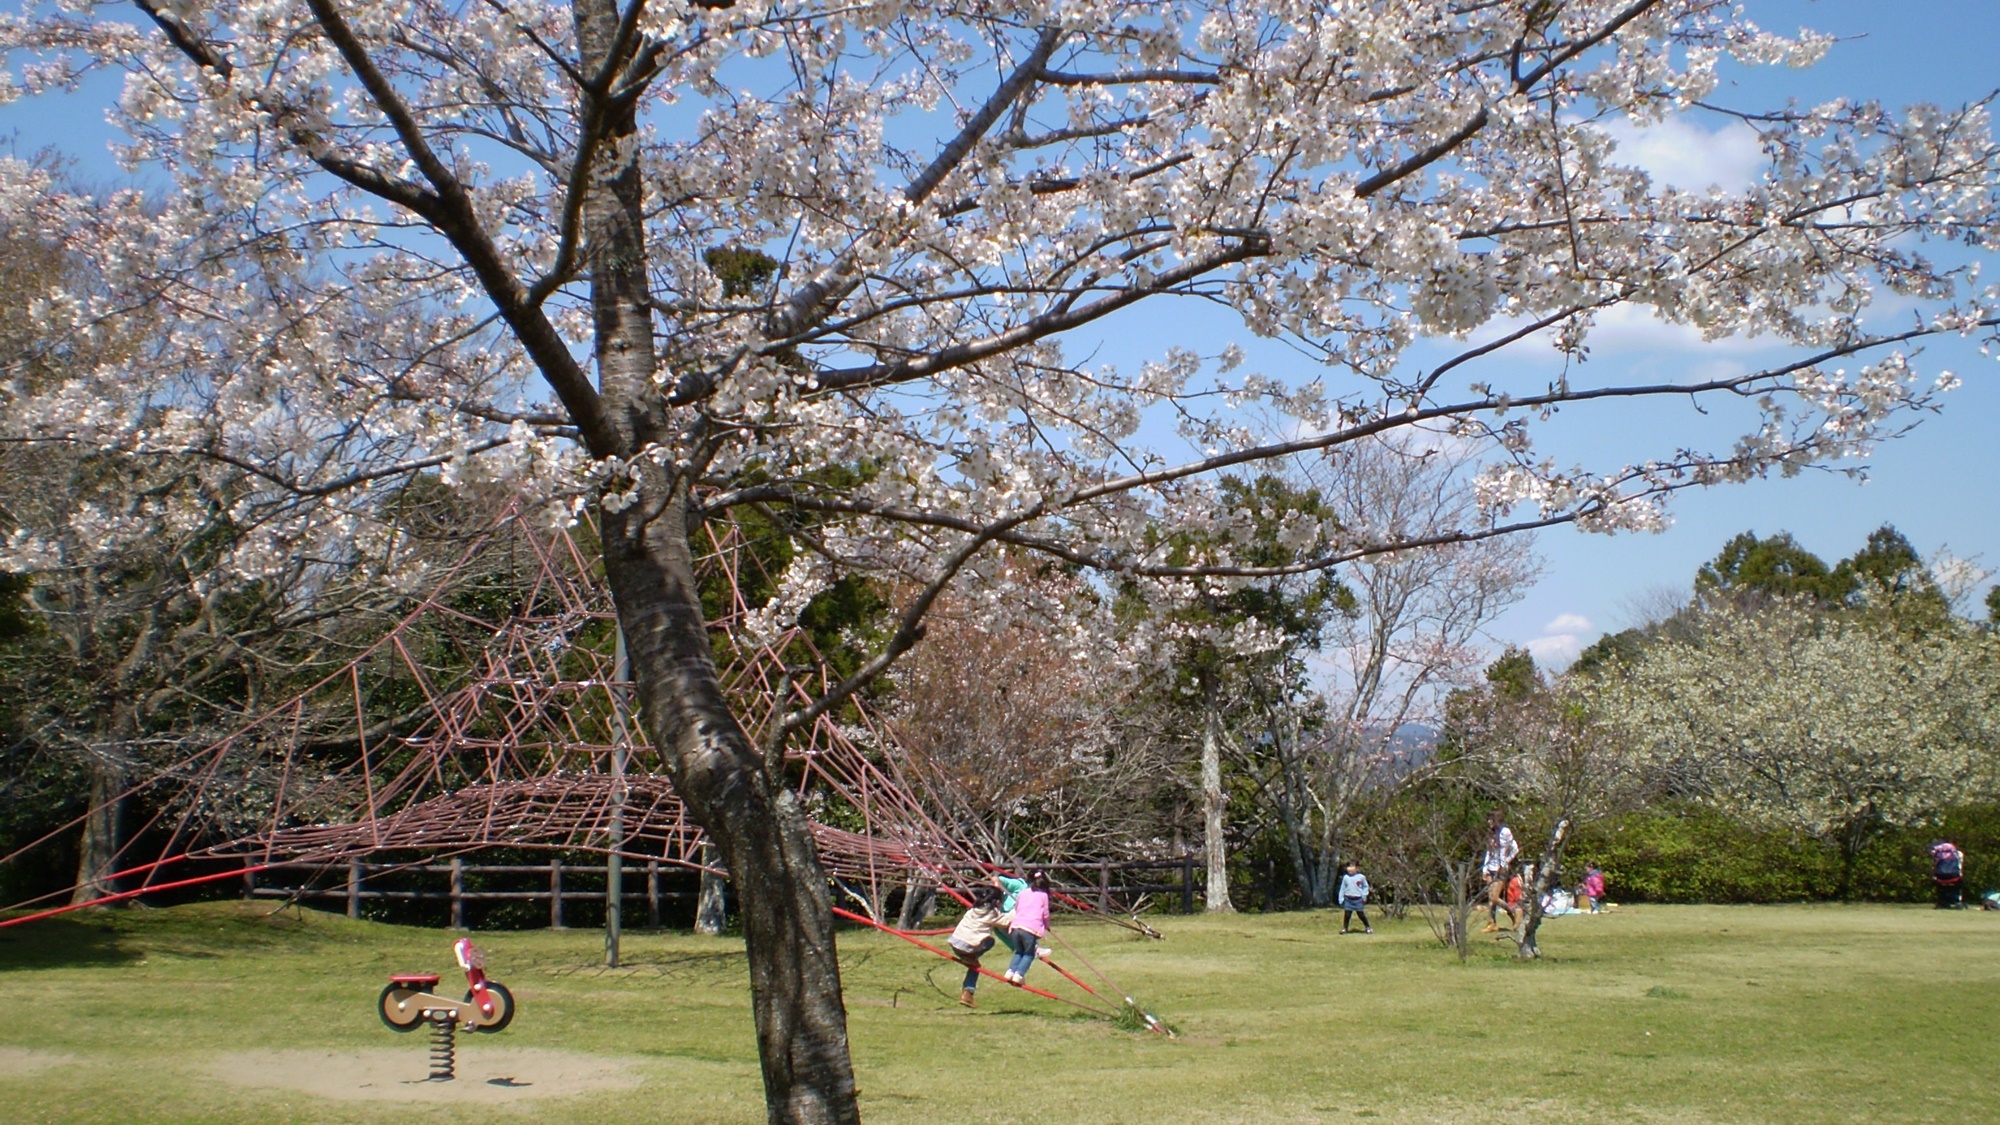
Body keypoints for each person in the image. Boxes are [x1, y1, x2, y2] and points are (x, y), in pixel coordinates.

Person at [947, 883, 1008, 1007]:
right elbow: (1005, 921)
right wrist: (1018, 911)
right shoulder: (991, 914)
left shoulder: (973, 910)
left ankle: (967, 994)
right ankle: (969, 958)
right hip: (969, 946)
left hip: (956, 943)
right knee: (990, 941)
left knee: (974, 966)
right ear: (996, 902)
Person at [1003, 870, 1052, 984]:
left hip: (1015, 927)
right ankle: (1019, 975)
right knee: (1029, 954)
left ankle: (1010, 972)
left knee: (1019, 951)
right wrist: (1046, 926)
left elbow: (1017, 908)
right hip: (1029, 930)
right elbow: (1045, 914)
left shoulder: (1023, 893)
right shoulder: (1043, 895)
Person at [1479, 809, 1519, 933]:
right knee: (1491, 898)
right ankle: (1492, 923)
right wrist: (1485, 869)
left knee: (1495, 897)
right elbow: (1489, 852)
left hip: (1501, 869)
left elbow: (1515, 849)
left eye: (1491, 819)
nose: (1488, 822)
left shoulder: (1505, 832)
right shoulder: (1491, 833)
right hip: (1491, 867)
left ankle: (1513, 913)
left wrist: (1506, 862)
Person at [1337, 859, 1373, 934]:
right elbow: (1342, 888)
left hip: (1358, 899)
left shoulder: (1361, 877)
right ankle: (1345, 928)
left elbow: (1365, 887)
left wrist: (1364, 896)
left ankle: (1368, 927)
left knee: (1360, 914)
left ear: (1357, 868)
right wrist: (1341, 898)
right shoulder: (1346, 877)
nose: (1350, 869)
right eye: (1349, 866)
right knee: (1347, 914)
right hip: (1348, 898)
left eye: (1352, 866)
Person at [1931, 841, 1965, 909]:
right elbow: (1960, 866)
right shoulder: (1958, 853)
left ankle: (1942, 902)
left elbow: (1934, 865)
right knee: (1958, 885)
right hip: (1954, 877)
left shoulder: (1937, 853)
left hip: (1940, 878)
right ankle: (1957, 902)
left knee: (1940, 886)